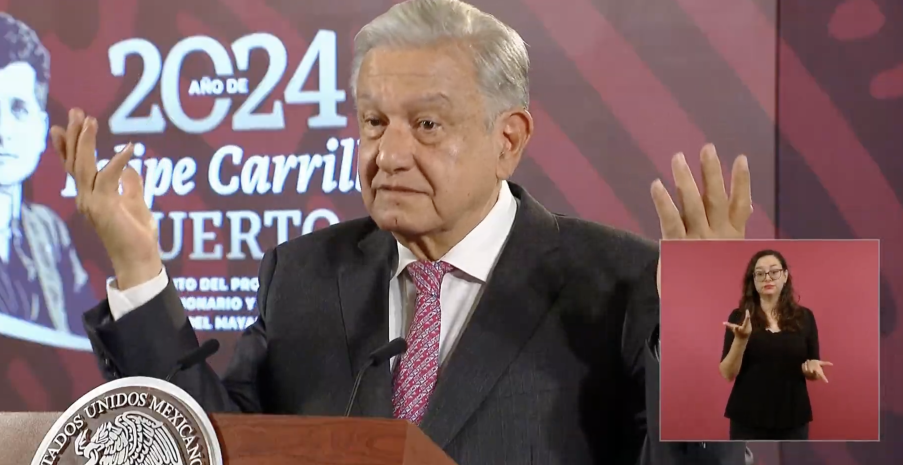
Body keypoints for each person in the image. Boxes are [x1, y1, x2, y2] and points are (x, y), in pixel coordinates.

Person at [56, 0, 750, 463]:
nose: (388, 154)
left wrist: (700, 336)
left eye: (426, 124)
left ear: (508, 139)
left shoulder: (619, 284)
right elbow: (212, 447)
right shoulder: (302, 275)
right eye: (373, 121)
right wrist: (139, 271)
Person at [0, 12, 95, 349]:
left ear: (41, 129)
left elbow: (93, 353)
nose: (3, 131)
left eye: (19, 109)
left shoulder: (49, 231)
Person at [719, 249, 831, 440]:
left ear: (785, 276)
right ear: (753, 281)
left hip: (793, 415)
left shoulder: (805, 317)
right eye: (760, 273)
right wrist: (741, 340)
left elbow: (812, 364)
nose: (767, 277)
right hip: (747, 417)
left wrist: (811, 369)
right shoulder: (739, 317)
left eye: (774, 271)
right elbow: (727, 373)